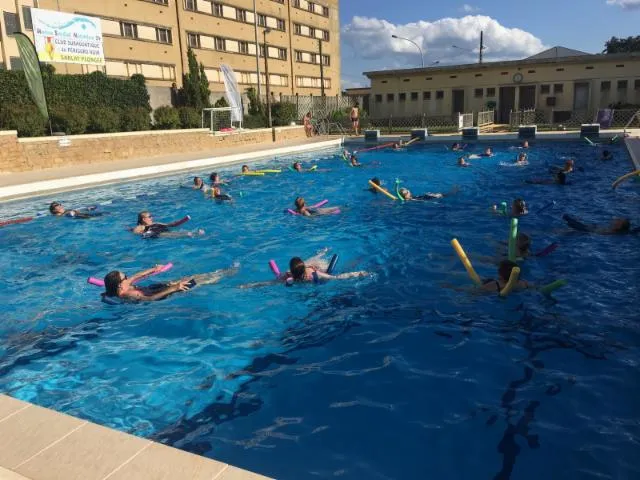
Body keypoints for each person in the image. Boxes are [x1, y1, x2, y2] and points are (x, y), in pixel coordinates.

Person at [103, 263, 238, 302]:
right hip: (163, 294)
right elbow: (150, 298)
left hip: (153, 287)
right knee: (196, 282)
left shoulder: (125, 285)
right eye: (125, 277)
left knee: (190, 277)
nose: (128, 278)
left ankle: (219, 272)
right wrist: (174, 288)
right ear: (120, 285)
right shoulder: (128, 295)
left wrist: (153, 269)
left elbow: (136, 276)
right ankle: (225, 275)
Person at [131, 211, 203, 238]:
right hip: (156, 234)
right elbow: (136, 232)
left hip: (164, 231)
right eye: (149, 217)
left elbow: (170, 225)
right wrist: (145, 234)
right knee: (167, 234)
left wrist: (181, 221)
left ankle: (192, 233)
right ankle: (191, 234)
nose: (151, 218)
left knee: (174, 233)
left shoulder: (156, 223)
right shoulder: (141, 227)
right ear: (144, 219)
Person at [563, 214, 635, 234]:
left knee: (581, 228)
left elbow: (586, 230)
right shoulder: (612, 230)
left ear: (618, 226)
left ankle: (569, 220)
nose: (616, 219)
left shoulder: (610, 232)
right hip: (592, 229)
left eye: (619, 220)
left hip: (589, 232)